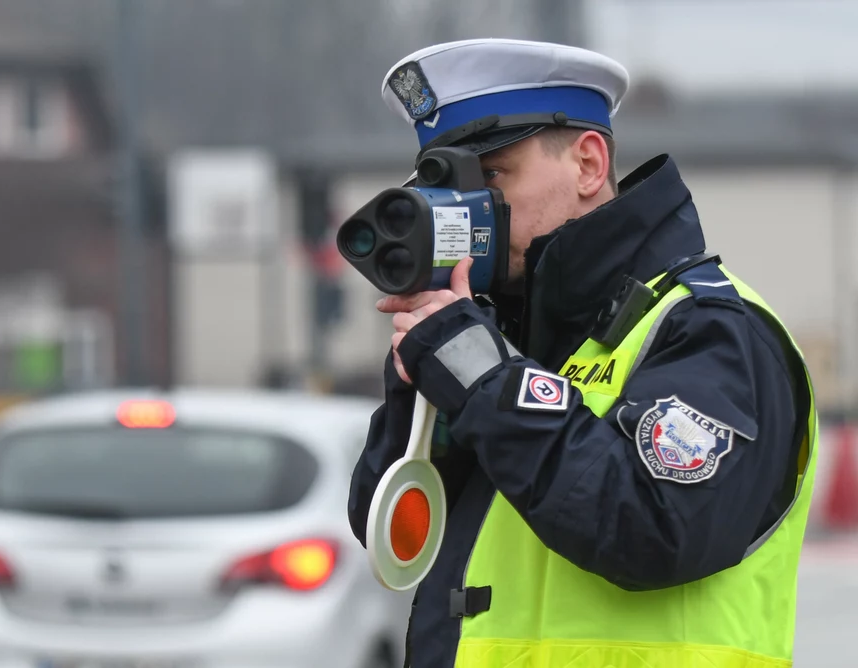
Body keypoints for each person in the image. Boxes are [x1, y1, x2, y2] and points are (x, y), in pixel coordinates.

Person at [347, 38, 818, 668]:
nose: (464, 209)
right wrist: (421, 389)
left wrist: (483, 376)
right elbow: (397, 544)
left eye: (489, 176)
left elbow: (656, 529)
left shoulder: (711, 328)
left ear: (588, 164)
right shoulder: (500, 339)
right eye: (445, 185)